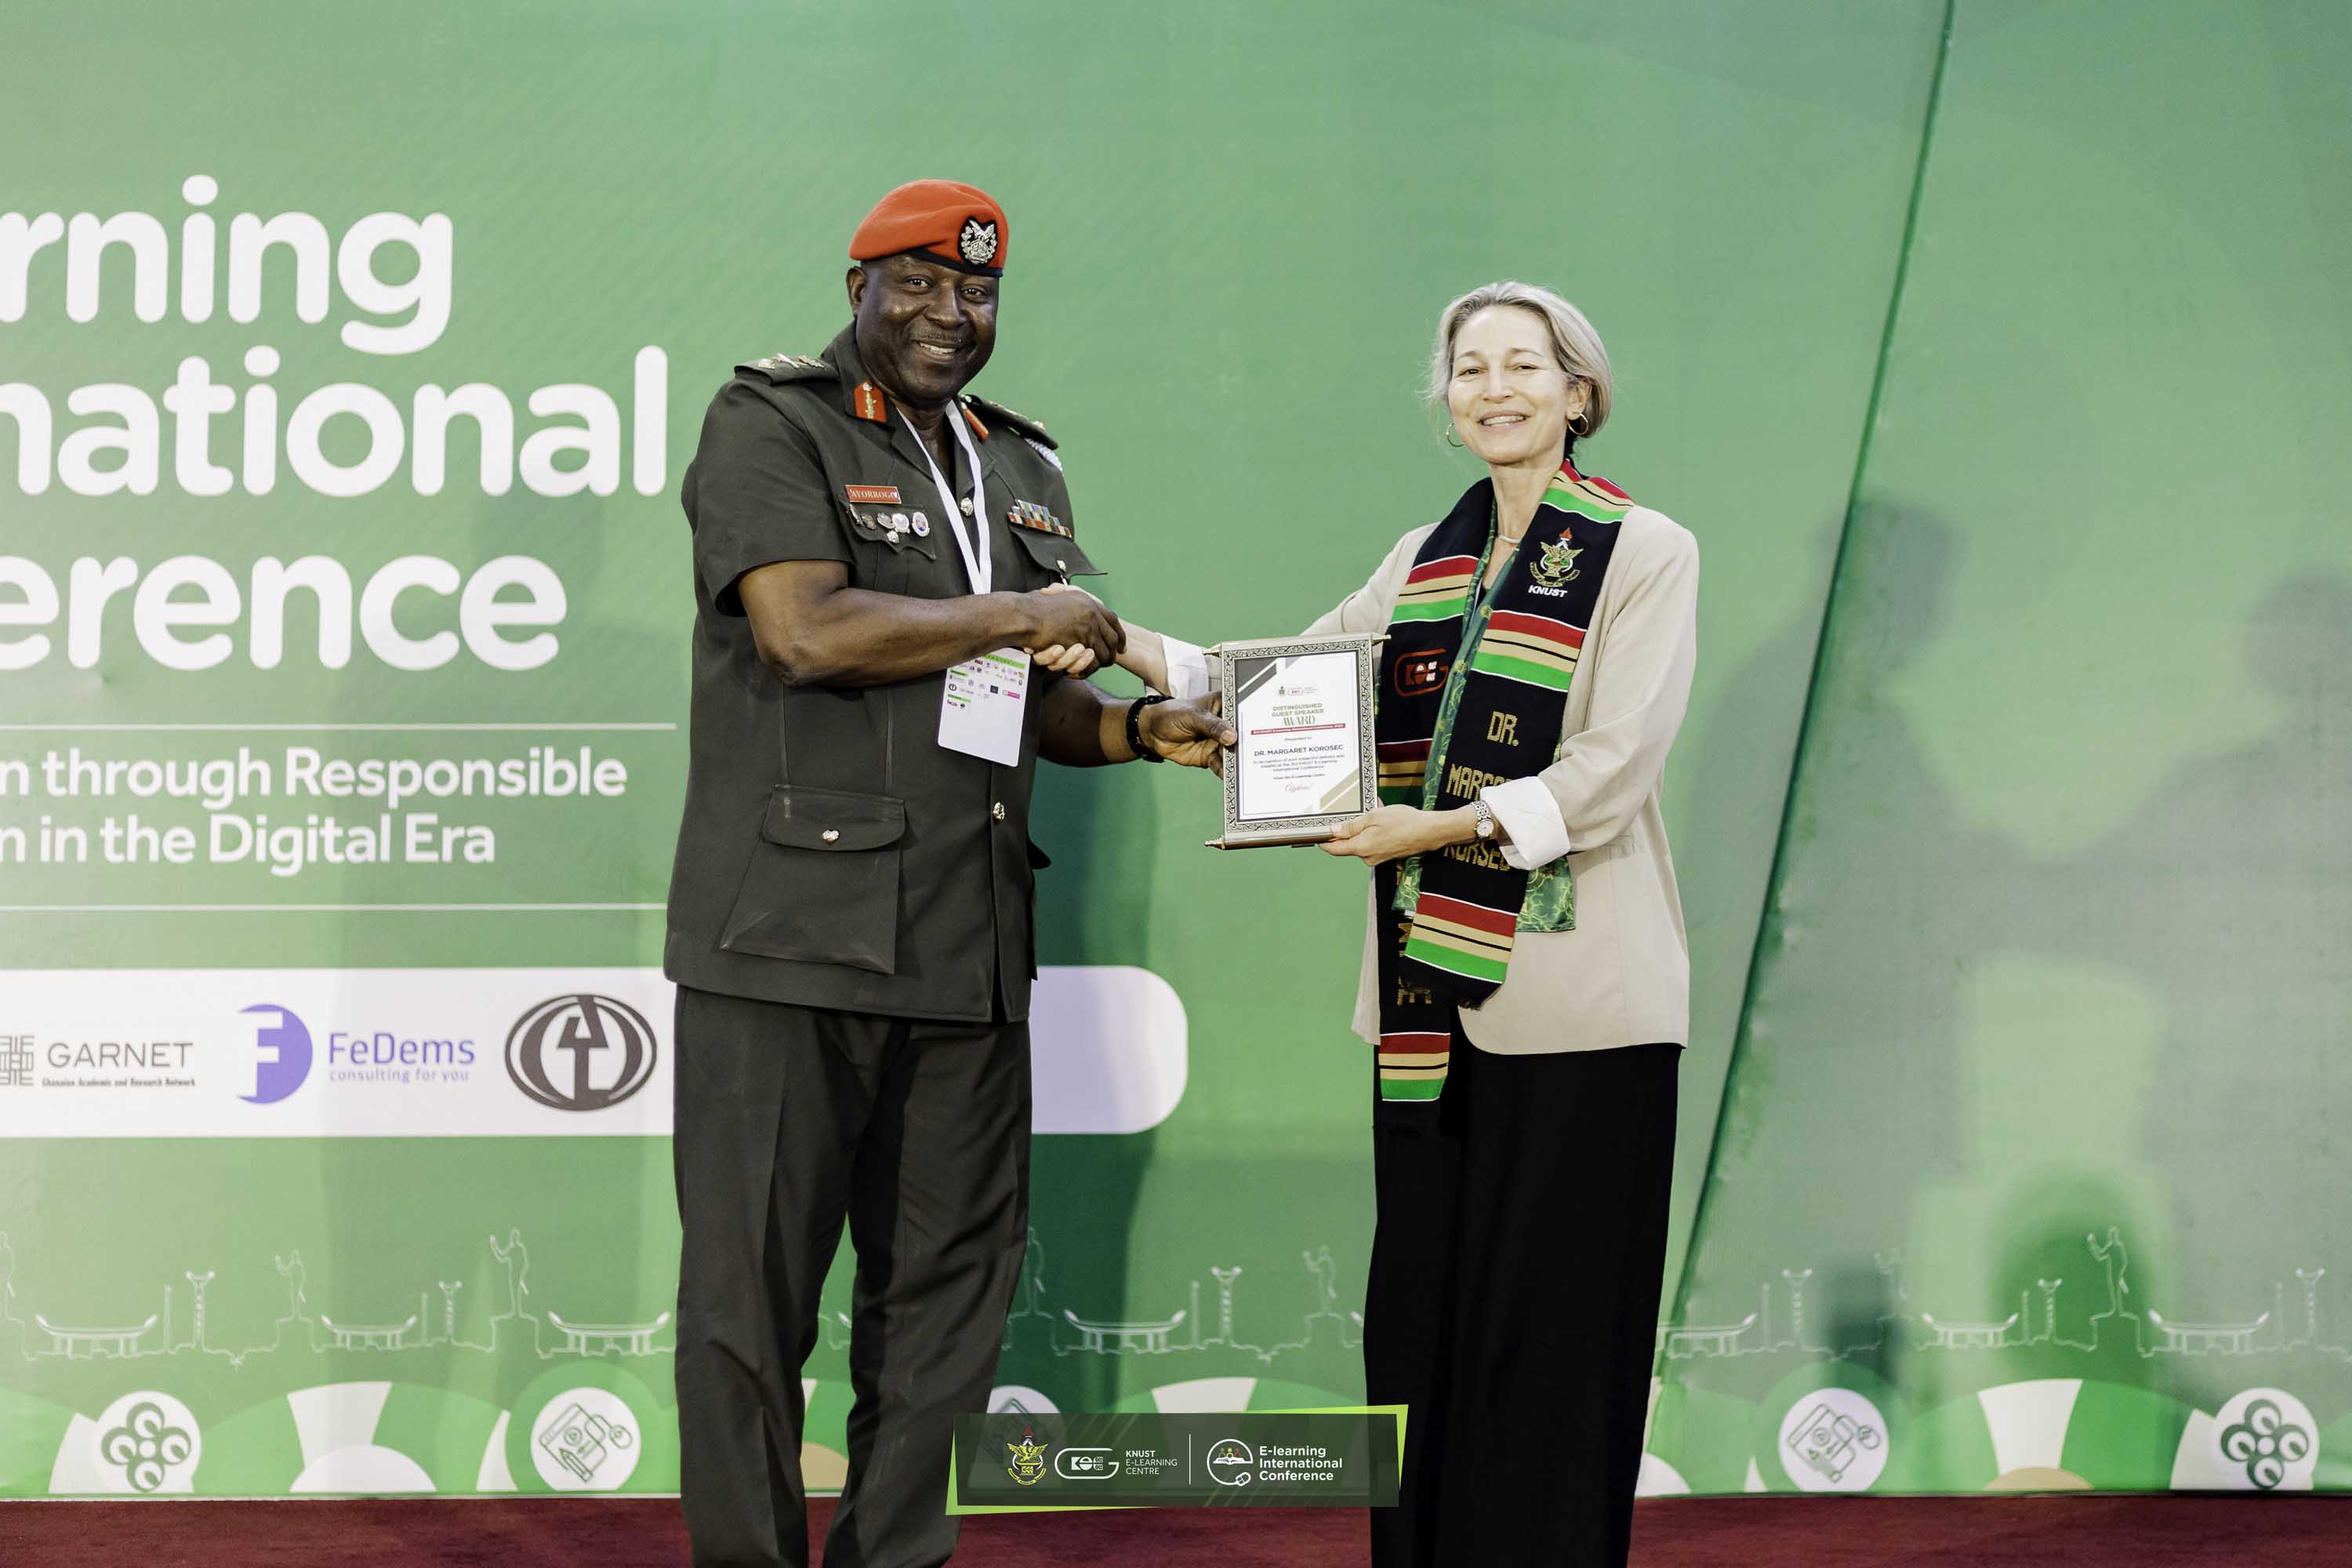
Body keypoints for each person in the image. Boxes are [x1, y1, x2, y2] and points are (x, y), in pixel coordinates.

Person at [665, 178, 1227, 1568]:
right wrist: (1022, 612)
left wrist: (1138, 730)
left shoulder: (1016, 463)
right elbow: (804, 633)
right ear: (856, 287)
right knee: (750, 1306)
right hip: (790, 940)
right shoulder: (773, 423)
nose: (948, 313)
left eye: (976, 291)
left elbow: (1029, 693)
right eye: (916, 283)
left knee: (949, 1303)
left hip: (969, 941)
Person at [1121, 279, 1697, 1566]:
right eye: (1470, 368)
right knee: (1423, 1326)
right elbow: (1289, 686)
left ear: (1579, 393)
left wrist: (1429, 832)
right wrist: (1124, 645)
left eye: (1524, 365)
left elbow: (1610, 773)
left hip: (1583, 1006)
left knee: (1555, 1337)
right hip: (1426, 996)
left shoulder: (1646, 551)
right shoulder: (1422, 560)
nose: (1495, 388)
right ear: (1447, 402)